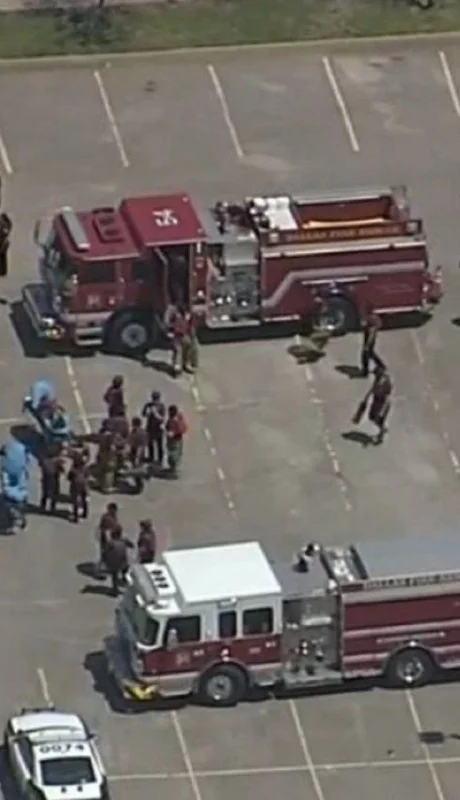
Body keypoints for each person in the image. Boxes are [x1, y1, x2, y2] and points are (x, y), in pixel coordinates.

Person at [355, 364, 393, 445]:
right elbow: (373, 389)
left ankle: (380, 436)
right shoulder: (380, 380)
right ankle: (382, 429)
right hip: (377, 401)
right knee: (372, 417)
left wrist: (382, 409)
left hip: (382, 402)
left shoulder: (383, 382)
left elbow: (383, 393)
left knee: (377, 418)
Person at [104, 525, 134, 596]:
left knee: (115, 577)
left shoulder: (111, 543)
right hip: (123, 561)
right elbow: (131, 545)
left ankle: (115, 591)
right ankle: (131, 588)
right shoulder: (123, 540)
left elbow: (105, 552)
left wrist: (105, 560)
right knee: (126, 575)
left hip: (114, 562)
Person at [40, 443, 65, 515]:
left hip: (46, 479)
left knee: (44, 493)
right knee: (54, 494)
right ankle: (52, 508)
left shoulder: (45, 460)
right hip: (54, 480)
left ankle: (43, 507)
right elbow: (62, 469)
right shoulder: (57, 461)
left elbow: (41, 466)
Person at [142, 390, 166, 466]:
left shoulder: (161, 406)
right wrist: (148, 412)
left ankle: (160, 459)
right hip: (150, 427)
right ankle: (151, 457)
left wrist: (155, 412)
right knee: (150, 444)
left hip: (158, 427)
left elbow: (162, 417)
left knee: (159, 444)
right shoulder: (148, 405)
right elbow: (143, 414)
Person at [96, 503, 119, 576]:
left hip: (111, 539)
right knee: (104, 555)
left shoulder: (113, 517)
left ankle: (104, 568)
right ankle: (99, 571)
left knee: (107, 555)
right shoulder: (107, 518)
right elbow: (105, 530)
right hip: (106, 539)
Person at [360, 309, 385, 378]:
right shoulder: (374, 318)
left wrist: (367, 345)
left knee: (365, 355)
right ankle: (381, 365)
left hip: (369, 339)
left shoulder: (371, 321)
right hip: (370, 337)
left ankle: (365, 372)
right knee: (371, 353)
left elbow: (371, 334)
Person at [165, 404, 188, 476]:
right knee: (177, 453)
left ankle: (173, 470)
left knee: (172, 454)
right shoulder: (179, 418)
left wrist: (164, 431)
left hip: (173, 440)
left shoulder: (172, 421)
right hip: (179, 438)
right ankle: (174, 468)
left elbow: (171, 433)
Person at [67, 452, 90, 523]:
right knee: (84, 498)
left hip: (75, 484)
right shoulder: (85, 468)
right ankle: (85, 513)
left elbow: (69, 477)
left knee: (75, 499)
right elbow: (87, 475)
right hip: (84, 484)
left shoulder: (73, 469)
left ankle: (76, 516)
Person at [128, 417, 147, 493]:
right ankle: (138, 486)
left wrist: (137, 457)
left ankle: (139, 487)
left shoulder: (139, 433)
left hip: (137, 453)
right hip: (137, 452)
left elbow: (140, 447)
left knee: (137, 471)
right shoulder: (141, 432)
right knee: (136, 470)